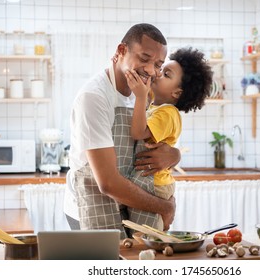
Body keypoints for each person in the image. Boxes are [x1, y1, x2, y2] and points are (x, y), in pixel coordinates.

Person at [64, 23, 180, 239]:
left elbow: (155, 140)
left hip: (129, 203)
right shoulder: (95, 97)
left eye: (158, 64)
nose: (150, 70)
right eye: (144, 58)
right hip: (92, 204)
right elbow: (107, 182)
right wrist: (165, 208)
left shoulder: (144, 94)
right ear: (121, 51)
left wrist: (174, 155)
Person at [125, 47, 213, 230]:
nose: (157, 74)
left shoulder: (168, 113)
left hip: (154, 185)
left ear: (177, 93)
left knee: (147, 235)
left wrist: (141, 96)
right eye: (161, 69)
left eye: (166, 74)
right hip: (149, 181)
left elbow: (138, 133)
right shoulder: (155, 106)